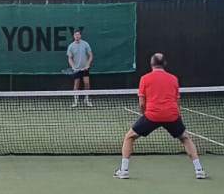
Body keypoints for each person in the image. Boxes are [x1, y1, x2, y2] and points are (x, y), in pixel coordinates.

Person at [115, 52, 206, 180]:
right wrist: (174, 115)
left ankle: (124, 170)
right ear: (165, 64)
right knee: (185, 138)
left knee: (129, 137)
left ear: (151, 64)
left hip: (151, 116)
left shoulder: (144, 79)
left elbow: (142, 103)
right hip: (172, 115)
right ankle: (199, 169)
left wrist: (145, 115)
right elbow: (177, 101)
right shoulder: (174, 79)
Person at [67, 28, 93, 106]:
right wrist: (73, 67)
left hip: (85, 68)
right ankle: (75, 101)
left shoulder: (85, 44)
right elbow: (70, 58)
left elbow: (91, 56)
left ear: (80, 35)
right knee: (76, 84)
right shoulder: (71, 46)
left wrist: (88, 65)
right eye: (75, 35)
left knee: (87, 83)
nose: (77, 36)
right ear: (73, 36)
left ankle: (87, 99)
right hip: (77, 69)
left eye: (78, 35)